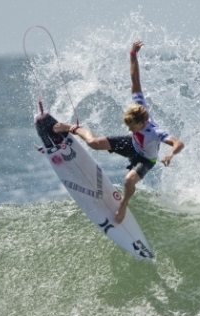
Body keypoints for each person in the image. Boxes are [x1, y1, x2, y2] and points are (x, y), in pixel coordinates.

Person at [53, 40, 185, 223]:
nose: (128, 128)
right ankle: (71, 128)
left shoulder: (155, 132)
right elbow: (135, 79)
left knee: (129, 181)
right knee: (93, 143)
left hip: (146, 158)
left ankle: (123, 205)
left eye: (132, 126)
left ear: (142, 122)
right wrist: (132, 54)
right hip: (132, 144)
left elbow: (179, 143)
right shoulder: (138, 105)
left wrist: (170, 154)